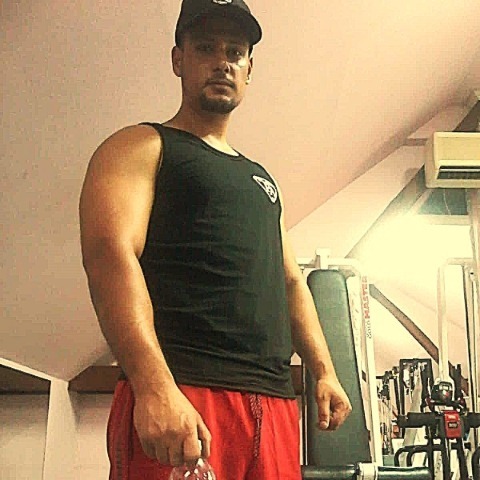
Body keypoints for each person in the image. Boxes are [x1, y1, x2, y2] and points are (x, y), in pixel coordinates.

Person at [79, 0, 352, 479]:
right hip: (187, 394)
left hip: (273, 405)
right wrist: (154, 387)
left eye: (235, 51)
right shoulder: (141, 146)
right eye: (205, 48)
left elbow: (290, 281)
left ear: (249, 69)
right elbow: (109, 255)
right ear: (178, 59)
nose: (222, 62)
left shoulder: (262, 180)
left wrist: (324, 371)